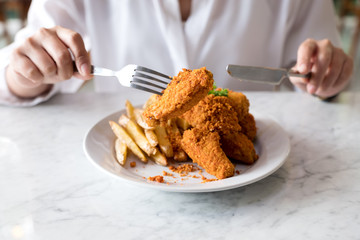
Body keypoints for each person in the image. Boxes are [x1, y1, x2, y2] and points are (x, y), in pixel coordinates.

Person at [0, 0, 353, 106]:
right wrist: (24, 73)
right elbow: (12, 79)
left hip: (260, 189)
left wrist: (322, 74)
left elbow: (314, 73)